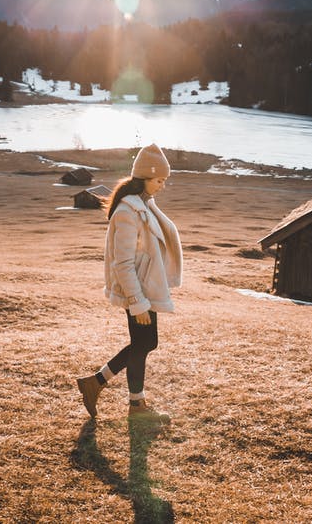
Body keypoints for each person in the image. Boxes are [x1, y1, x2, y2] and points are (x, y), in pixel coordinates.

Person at [76, 144, 182, 423]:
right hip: (136, 290)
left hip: (144, 288)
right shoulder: (128, 211)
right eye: (159, 180)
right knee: (145, 342)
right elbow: (121, 263)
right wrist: (138, 303)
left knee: (144, 342)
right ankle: (130, 402)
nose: (162, 185)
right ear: (145, 177)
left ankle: (98, 384)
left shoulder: (145, 205)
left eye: (164, 181)